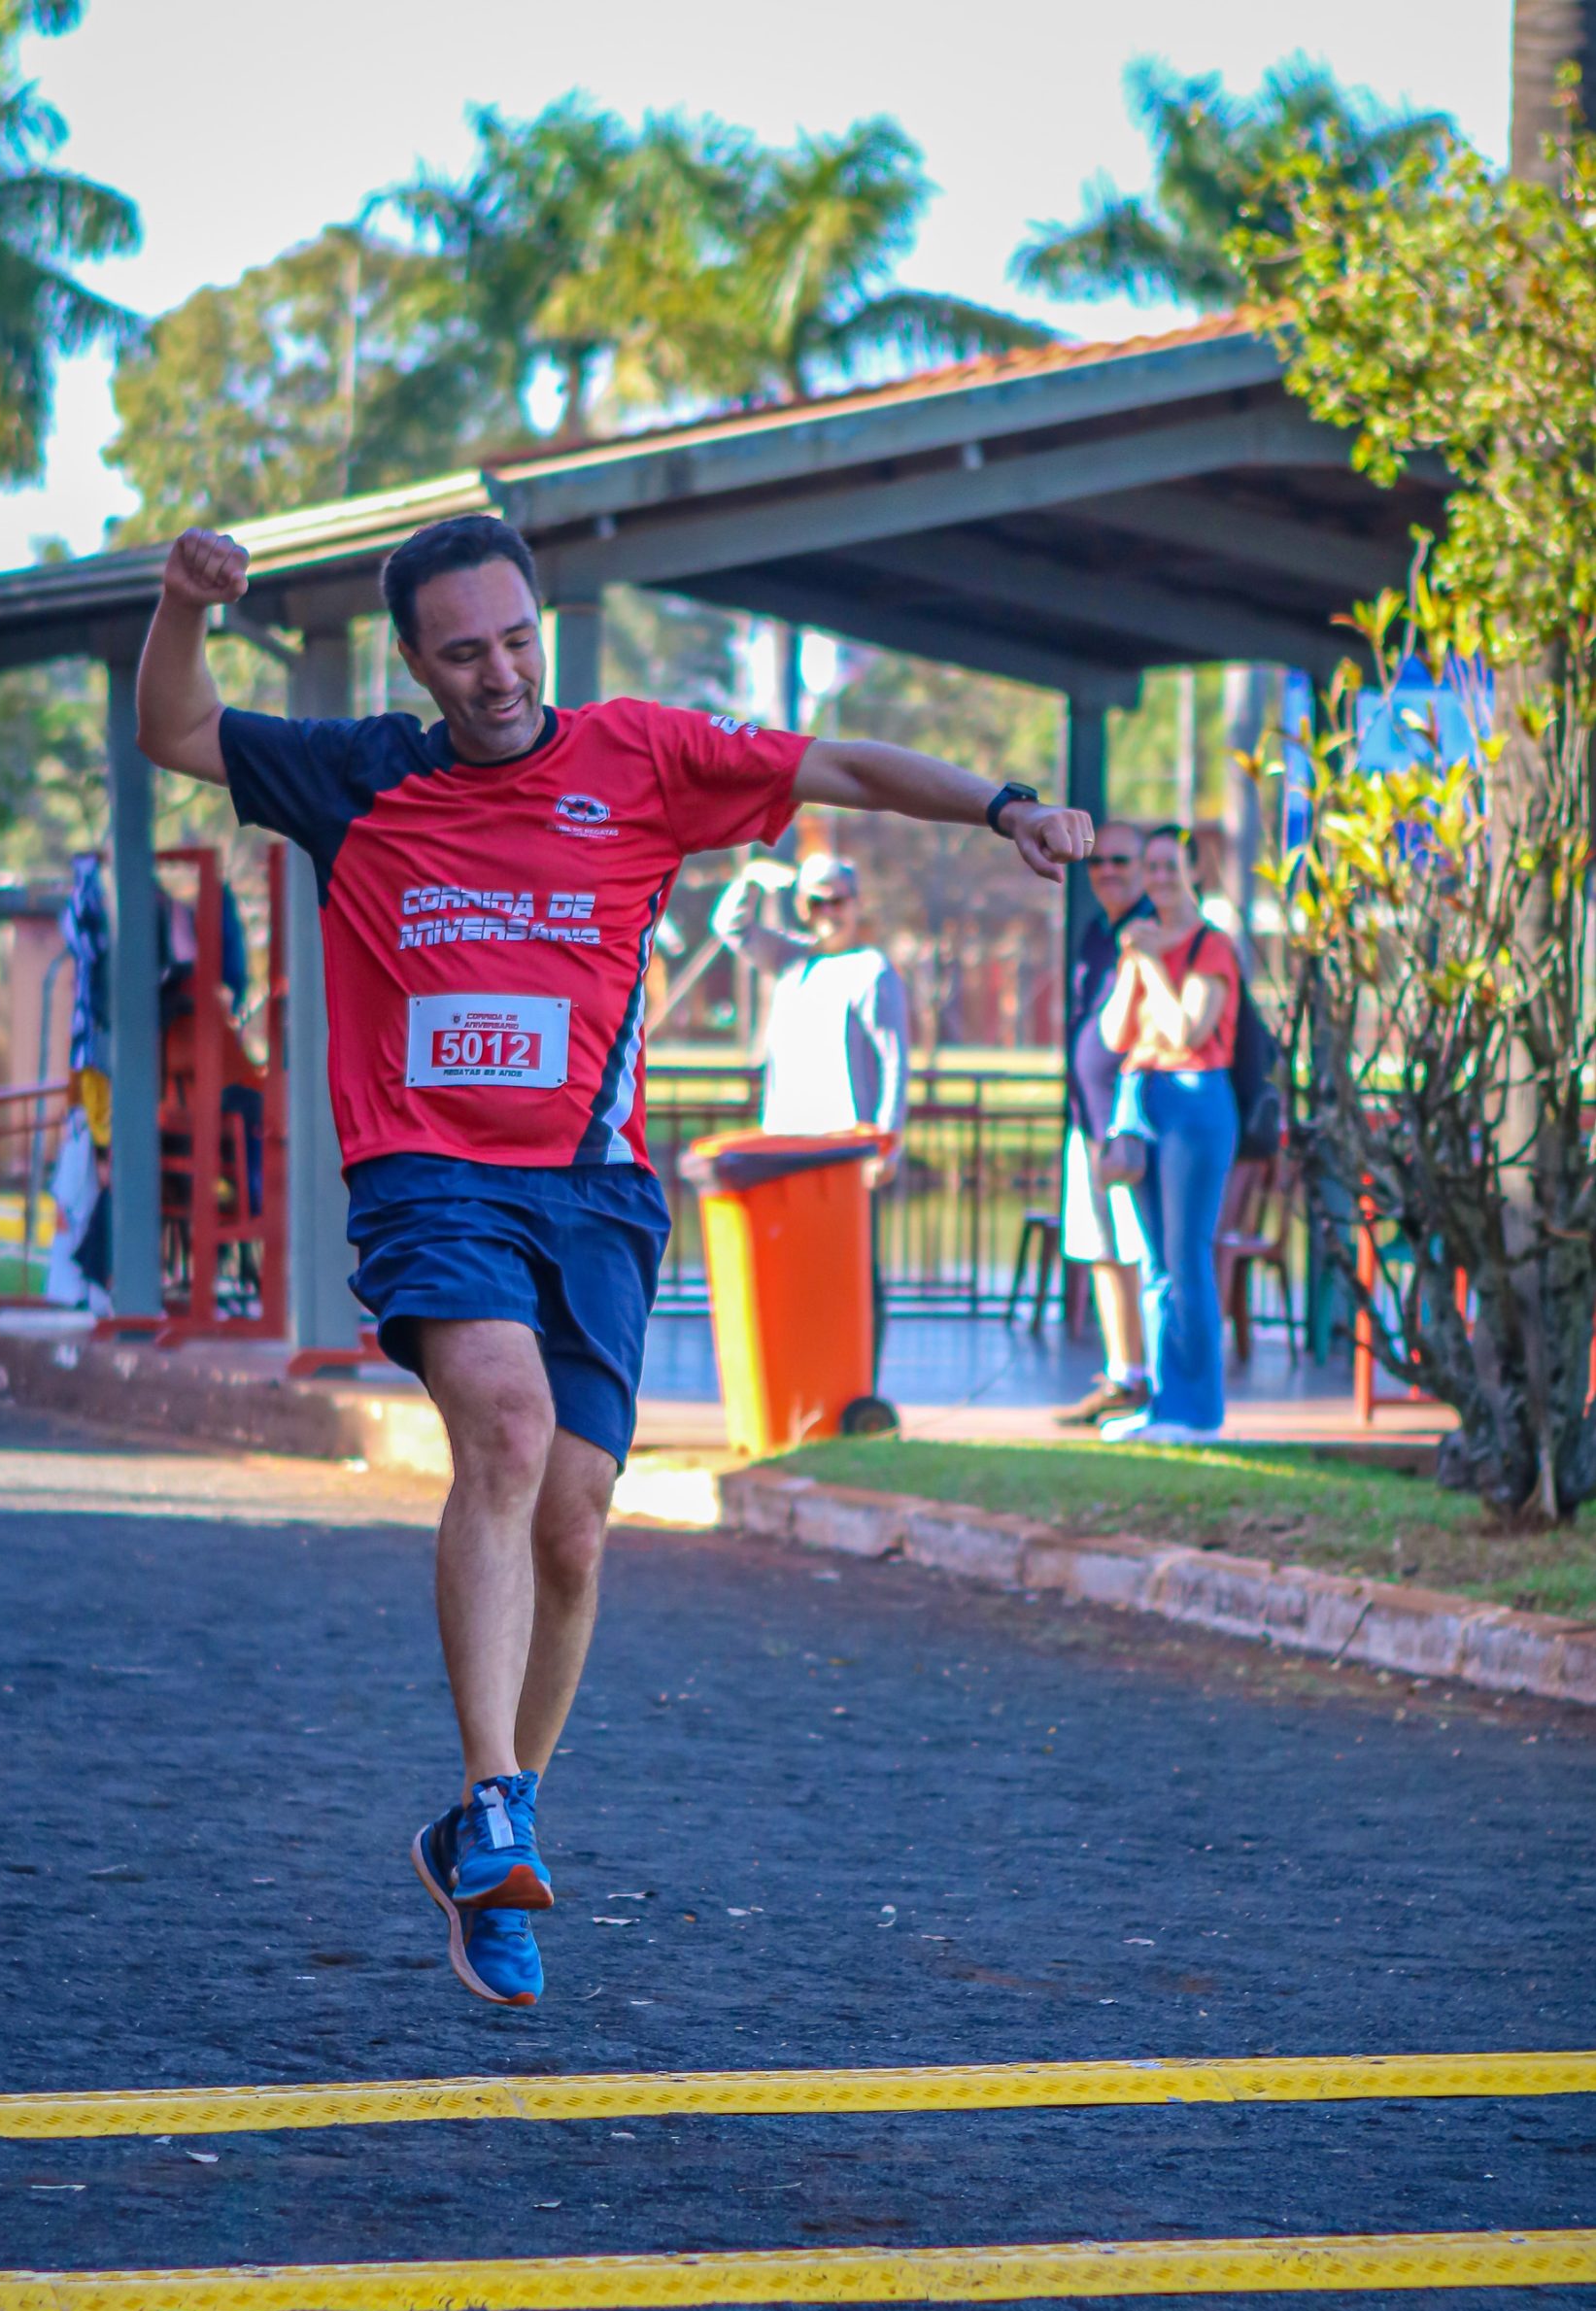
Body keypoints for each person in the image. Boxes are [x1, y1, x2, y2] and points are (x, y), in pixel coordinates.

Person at [135, 512, 1093, 2009]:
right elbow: (177, 727)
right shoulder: (361, 775)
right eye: (463, 651)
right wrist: (181, 604)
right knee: (505, 1428)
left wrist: (1003, 804)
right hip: (428, 1175)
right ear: (415, 662)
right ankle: (497, 1804)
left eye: (517, 640)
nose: (499, 672)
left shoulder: (641, 758)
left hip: (591, 1190)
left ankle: (480, 1829)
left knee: (576, 1523)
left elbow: (832, 765)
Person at [711, 849, 909, 1390]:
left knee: (853, 1274)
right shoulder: (792, 961)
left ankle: (858, 1388)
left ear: (857, 903)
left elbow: (895, 1063)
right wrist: (754, 879)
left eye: (838, 901)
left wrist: (886, 1145)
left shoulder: (872, 971)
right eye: (817, 901)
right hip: (786, 1147)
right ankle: (805, 1376)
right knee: (794, 1269)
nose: (828, 912)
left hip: (845, 1150)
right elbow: (731, 926)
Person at [1095, 826, 1240, 1446]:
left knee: (1187, 1258)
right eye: (1149, 869)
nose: (1157, 880)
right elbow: (1112, 1035)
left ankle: (1198, 1411)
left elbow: (1187, 1029)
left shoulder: (1212, 947)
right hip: (1145, 1099)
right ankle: (1164, 1405)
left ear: (1192, 871)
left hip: (1195, 1101)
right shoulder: (1141, 944)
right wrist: (1134, 961)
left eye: (1168, 868)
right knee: (1154, 1263)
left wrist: (1152, 960)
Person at [1053, 821, 1153, 1427]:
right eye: (1097, 863)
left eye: (1121, 861)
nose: (1108, 872)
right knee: (1102, 1251)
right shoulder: (1099, 933)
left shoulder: (1152, 934)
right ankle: (1124, 1376)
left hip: (1132, 1122)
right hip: (1087, 1119)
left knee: (1140, 1251)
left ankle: (1156, 1378)